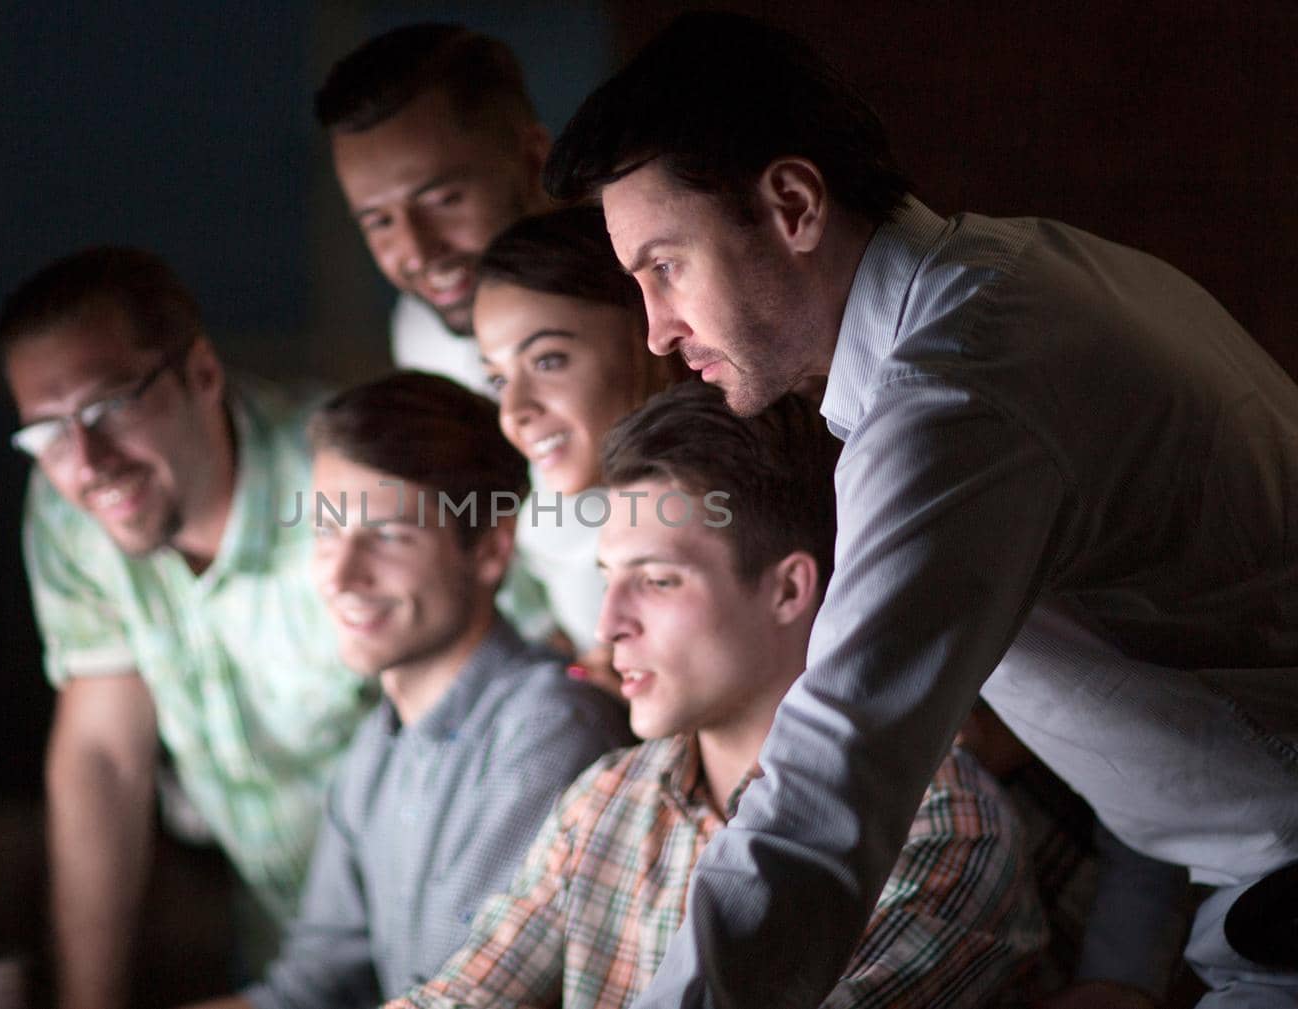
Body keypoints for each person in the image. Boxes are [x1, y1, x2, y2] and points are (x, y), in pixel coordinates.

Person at [544, 12, 1298, 1007]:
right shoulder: (1021, 276)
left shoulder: (955, 399)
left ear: (792, 203)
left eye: (666, 266)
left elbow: (828, 790)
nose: (657, 327)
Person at [388, 385, 1046, 1009]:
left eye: (658, 579)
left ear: (789, 590)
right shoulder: (605, 800)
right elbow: (461, 994)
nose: (607, 623)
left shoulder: (941, 829)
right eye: (609, 578)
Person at [0, 246, 375, 1009]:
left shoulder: (349, 481)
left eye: (108, 408)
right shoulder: (74, 512)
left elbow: (520, 690)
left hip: (455, 964)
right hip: (286, 970)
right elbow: (103, 758)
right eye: (47, 434)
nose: (87, 462)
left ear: (202, 373)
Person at [181, 372, 632, 1009]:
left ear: (490, 550)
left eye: (389, 536)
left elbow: (463, 997)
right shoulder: (377, 747)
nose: (339, 576)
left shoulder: (551, 730)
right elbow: (310, 989)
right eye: (327, 532)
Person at [472, 204, 683, 658]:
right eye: (498, 380)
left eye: (548, 361)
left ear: (648, 327)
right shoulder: (546, 525)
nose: (515, 410)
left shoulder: (727, 512)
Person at [317, 23, 550, 392]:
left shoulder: (656, 299)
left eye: (443, 201)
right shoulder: (423, 335)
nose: (417, 252)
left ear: (535, 161)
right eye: (379, 222)